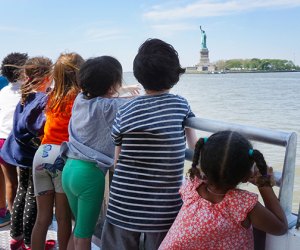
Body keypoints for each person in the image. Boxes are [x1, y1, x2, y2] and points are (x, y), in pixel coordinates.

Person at [101, 38, 198, 250]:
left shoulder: (125, 109)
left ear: (139, 75)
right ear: (174, 75)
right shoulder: (179, 104)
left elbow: (116, 160)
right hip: (163, 207)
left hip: (123, 203)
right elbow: (195, 147)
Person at [159, 131, 288, 250]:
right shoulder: (242, 204)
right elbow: (280, 227)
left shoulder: (191, 186)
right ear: (246, 177)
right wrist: (263, 184)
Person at [61, 55, 140, 250]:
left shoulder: (80, 99)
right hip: (90, 176)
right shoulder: (109, 107)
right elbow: (141, 104)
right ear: (112, 85)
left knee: (78, 229)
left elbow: (103, 94)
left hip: (69, 169)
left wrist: (121, 90)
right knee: (84, 237)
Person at [31, 53, 84, 250]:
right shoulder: (80, 98)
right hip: (61, 157)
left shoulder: (50, 96)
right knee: (63, 218)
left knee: (42, 218)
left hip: (41, 154)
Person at [0, 56, 53, 250]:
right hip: (32, 155)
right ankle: (31, 243)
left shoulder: (25, 95)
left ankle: (16, 237)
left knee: (22, 192)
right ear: (47, 77)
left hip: (20, 153)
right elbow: (40, 127)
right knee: (32, 197)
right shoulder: (41, 99)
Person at [0, 52, 28, 228]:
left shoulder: (3, 91)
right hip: (20, 142)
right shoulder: (27, 91)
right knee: (27, 183)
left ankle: (11, 218)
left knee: (10, 181)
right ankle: (26, 216)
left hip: (2, 139)